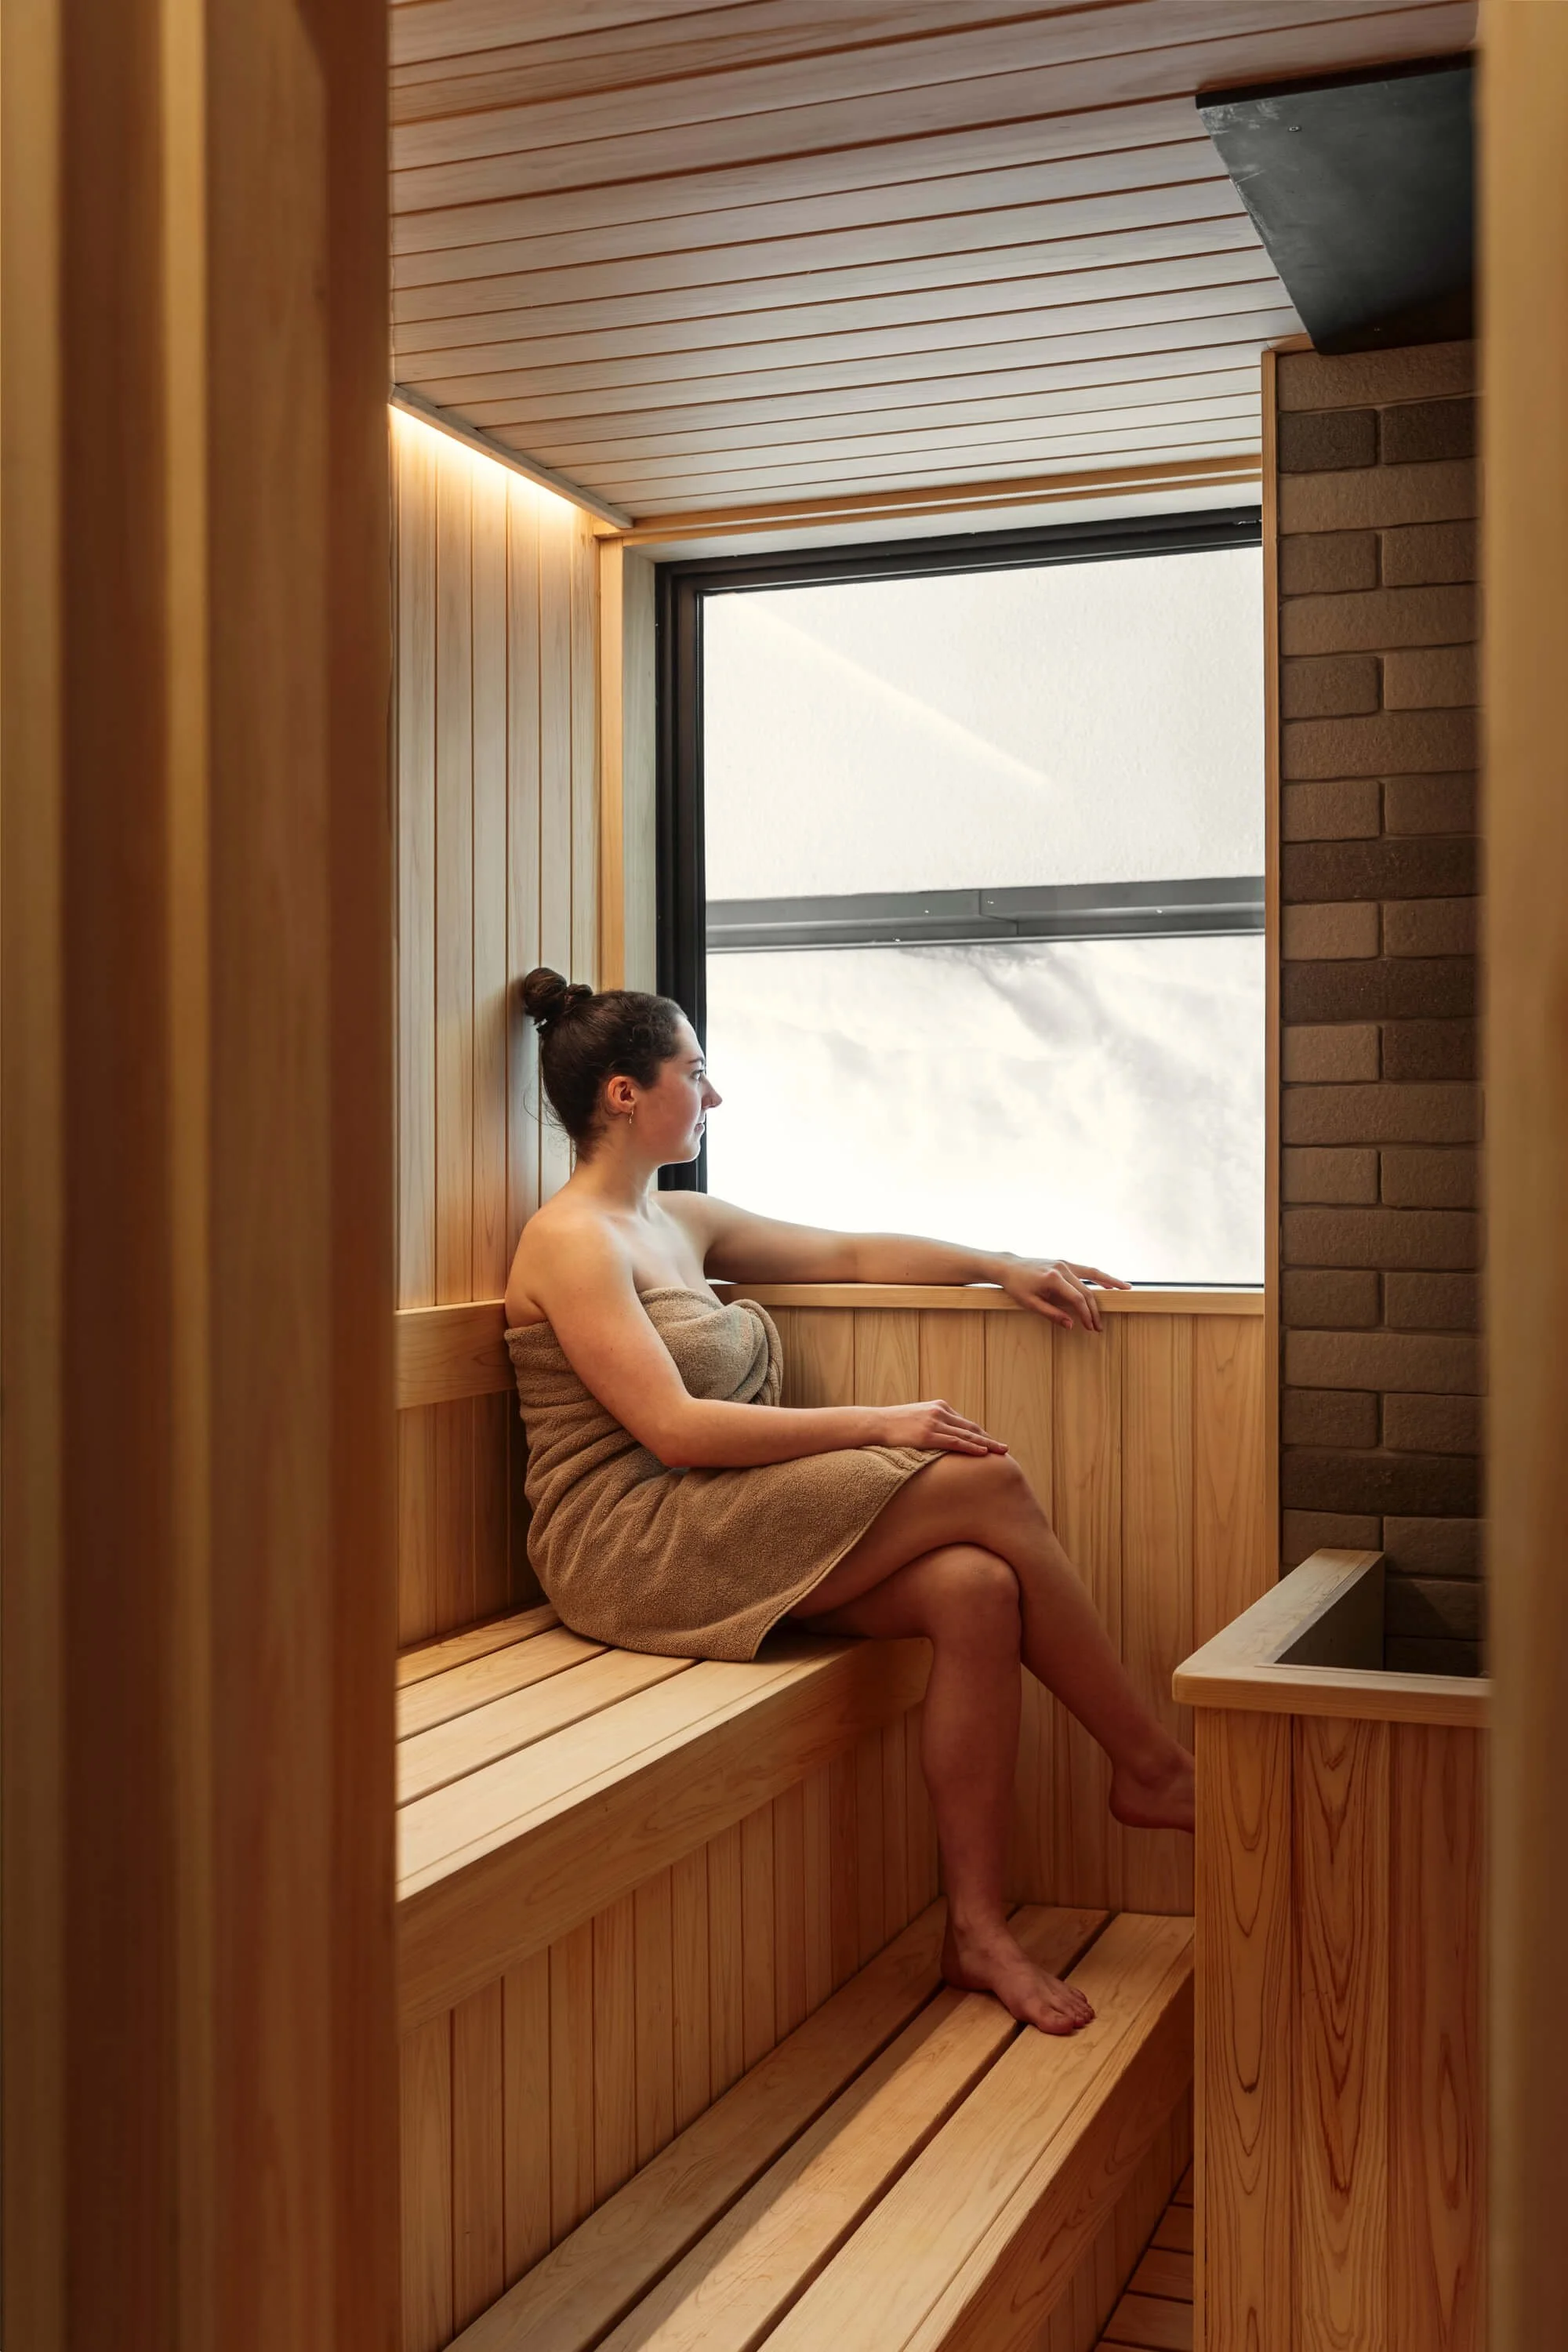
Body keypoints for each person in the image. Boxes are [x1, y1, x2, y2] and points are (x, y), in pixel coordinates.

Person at [504, 969, 1195, 2036]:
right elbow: (674, 1430)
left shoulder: (677, 1220)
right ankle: (1151, 1769)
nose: (714, 1096)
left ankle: (978, 1933)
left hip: (709, 1513)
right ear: (625, 1095)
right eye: (696, 1072)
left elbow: (851, 1251)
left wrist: (1001, 1265)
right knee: (987, 1481)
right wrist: (882, 1423)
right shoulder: (568, 1242)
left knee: (974, 1590)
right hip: (626, 1542)